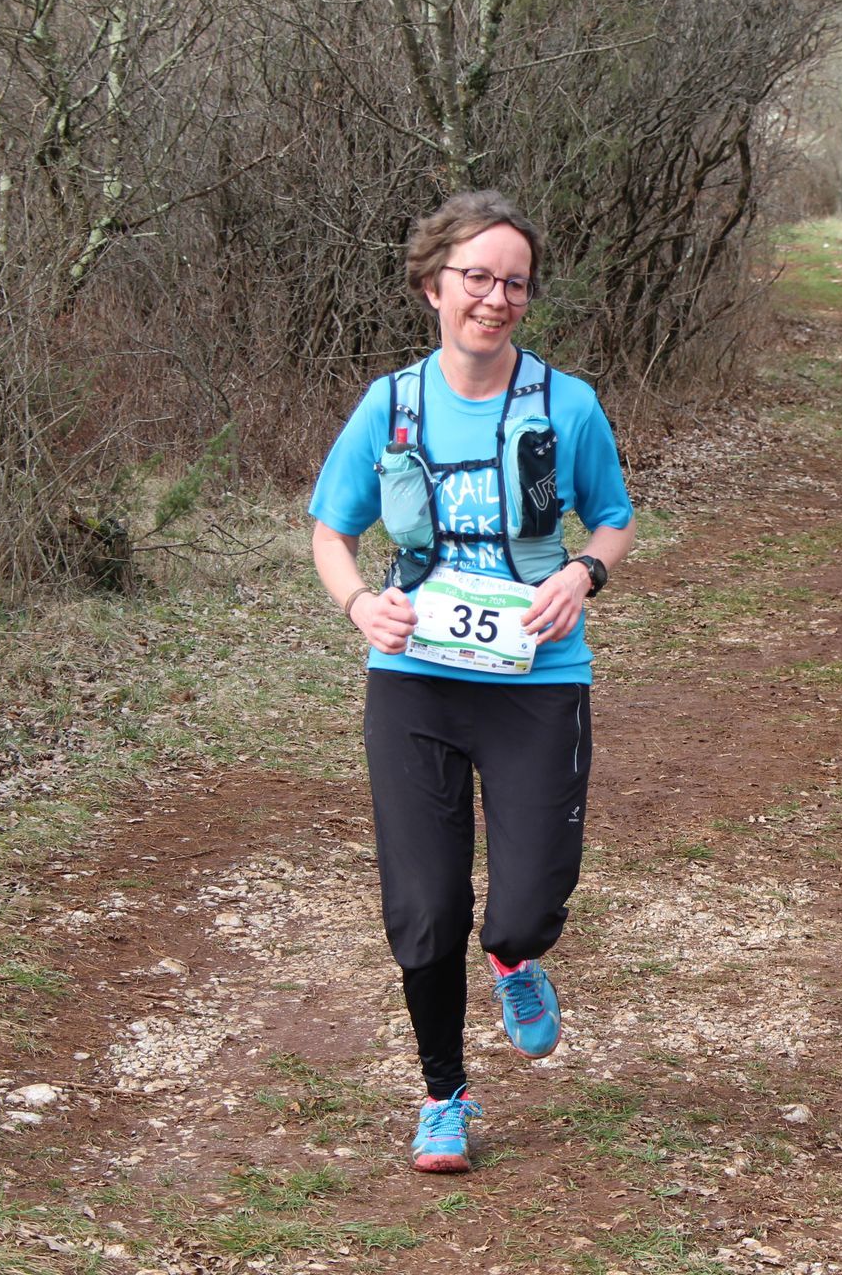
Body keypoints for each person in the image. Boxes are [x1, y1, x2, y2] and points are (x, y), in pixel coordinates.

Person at [308, 190, 636, 1173]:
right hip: (415, 680)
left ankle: (514, 955)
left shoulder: (567, 405)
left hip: (538, 681)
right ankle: (443, 1094)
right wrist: (360, 606)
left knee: (525, 903)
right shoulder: (390, 406)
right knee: (424, 906)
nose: (495, 298)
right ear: (433, 286)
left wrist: (584, 573)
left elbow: (613, 517)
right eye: (477, 278)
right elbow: (331, 531)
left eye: (514, 283)